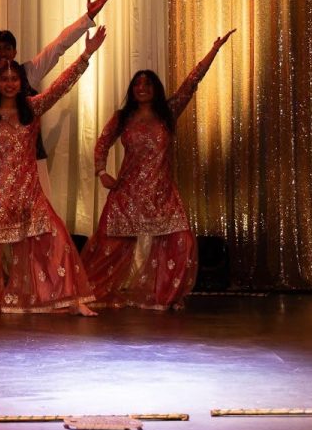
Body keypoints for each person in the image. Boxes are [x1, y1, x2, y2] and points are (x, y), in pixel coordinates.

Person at [82, 30, 236, 311]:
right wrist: (102, 172)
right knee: (107, 249)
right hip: (127, 192)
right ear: (132, 89)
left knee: (181, 242)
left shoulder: (169, 112)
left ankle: (167, 295)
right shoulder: (123, 117)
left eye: (148, 84)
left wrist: (213, 51)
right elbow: (102, 143)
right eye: (137, 84)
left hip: (162, 192)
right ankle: (85, 293)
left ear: (156, 89)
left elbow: (192, 82)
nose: (142, 88)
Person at [0, 28, 107, 315]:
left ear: (21, 82)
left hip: (28, 191)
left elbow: (61, 86)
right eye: (4, 79)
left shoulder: (33, 107)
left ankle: (68, 299)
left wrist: (87, 53)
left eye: (15, 79)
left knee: (56, 240)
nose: (10, 83)